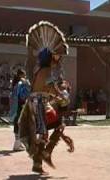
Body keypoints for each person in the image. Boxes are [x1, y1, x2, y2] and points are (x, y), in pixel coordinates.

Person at [18, 21, 74, 174]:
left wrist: (58, 96)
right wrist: (61, 97)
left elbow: (48, 89)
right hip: (39, 104)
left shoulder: (42, 70)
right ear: (50, 57)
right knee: (47, 132)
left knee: (49, 130)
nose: (58, 59)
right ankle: (44, 154)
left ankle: (39, 162)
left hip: (38, 102)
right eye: (56, 57)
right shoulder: (46, 71)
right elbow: (50, 89)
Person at [9, 69, 30, 151]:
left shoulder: (16, 84)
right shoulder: (20, 84)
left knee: (18, 123)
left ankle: (18, 143)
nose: (25, 77)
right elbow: (23, 95)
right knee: (20, 123)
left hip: (17, 106)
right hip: (20, 106)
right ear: (21, 76)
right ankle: (17, 144)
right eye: (24, 75)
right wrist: (27, 84)